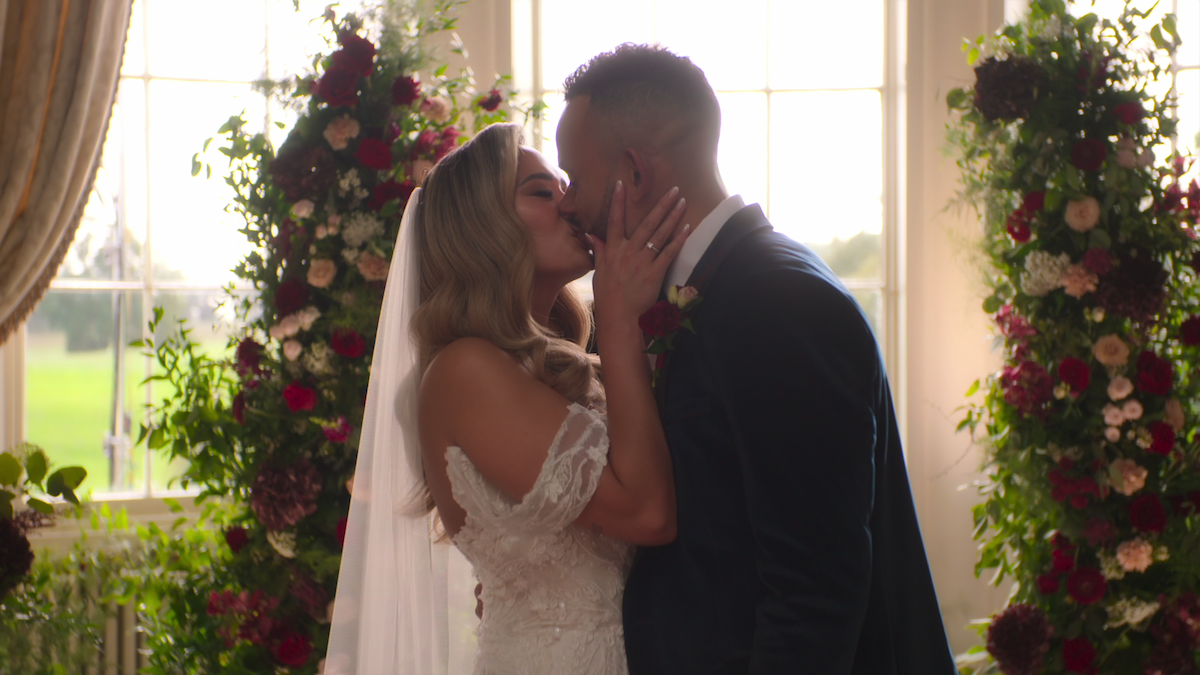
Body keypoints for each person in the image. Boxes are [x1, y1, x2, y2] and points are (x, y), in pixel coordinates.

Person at [554, 44, 958, 674]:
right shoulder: (661, 298)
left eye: (574, 180)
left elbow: (814, 592)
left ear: (633, 172)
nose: (568, 205)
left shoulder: (779, 301)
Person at [326, 122, 691, 675]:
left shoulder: (560, 366)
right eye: (542, 192)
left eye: (564, 185)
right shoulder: (466, 370)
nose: (570, 204)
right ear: (482, 228)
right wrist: (619, 321)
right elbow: (648, 513)